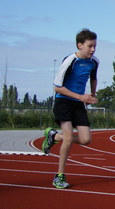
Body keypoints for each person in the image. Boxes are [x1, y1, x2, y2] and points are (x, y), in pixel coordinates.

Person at [42, 28, 99, 189]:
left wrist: (91, 95)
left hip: (79, 103)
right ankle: (59, 176)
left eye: (95, 46)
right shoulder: (69, 61)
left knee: (86, 139)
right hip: (64, 102)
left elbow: (94, 78)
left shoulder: (94, 62)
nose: (93, 49)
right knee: (68, 137)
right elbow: (57, 88)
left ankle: (54, 136)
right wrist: (81, 97)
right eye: (90, 46)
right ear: (80, 45)